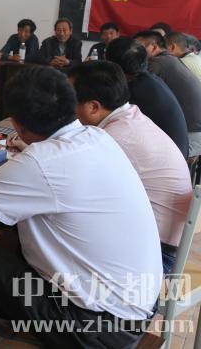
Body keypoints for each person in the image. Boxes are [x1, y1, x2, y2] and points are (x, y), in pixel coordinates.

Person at [0, 66, 161, 347]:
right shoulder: (95, 137)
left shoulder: (42, 161)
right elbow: (6, 181)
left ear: (17, 124)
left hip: (91, 325)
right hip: (133, 310)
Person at [68, 61, 192, 274]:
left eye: (69, 99)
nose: (66, 106)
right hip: (166, 244)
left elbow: (71, 184)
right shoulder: (130, 118)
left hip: (154, 257)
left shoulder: (113, 138)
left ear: (94, 107)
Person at [106, 37, 189, 157]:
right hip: (177, 153)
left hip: (167, 159)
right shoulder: (148, 79)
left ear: (112, 65)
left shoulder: (136, 90)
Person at [134, 30, 201, 158]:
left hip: (190, 136)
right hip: (195, 132)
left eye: (139, 48)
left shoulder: (157, 63)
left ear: (154, 47)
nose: (135, 53)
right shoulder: (171, 60)